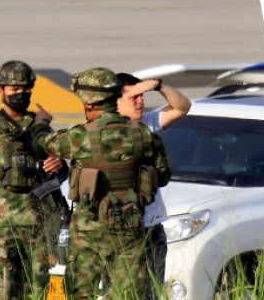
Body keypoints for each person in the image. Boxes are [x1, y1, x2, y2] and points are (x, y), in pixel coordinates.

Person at [42, 67, 170, 300]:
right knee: (128, 295)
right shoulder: (143, 134)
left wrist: (42, 123)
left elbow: (45, 143)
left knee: (81, 293)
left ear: (89, 105)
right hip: (129, 230)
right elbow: (162, 176)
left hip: (88, 231)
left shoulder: (80, 137)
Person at [0, 60, 64, 300]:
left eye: (26, 88)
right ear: (0, 90)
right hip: (1, 223)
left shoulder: (40, 127)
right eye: (15, 89)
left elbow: (59, 173)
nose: (21, 93)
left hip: (37, 223)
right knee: (4, 289)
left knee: (39, 288)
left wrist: (59, 164)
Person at [115, 73, 190, 297]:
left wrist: (158, 85)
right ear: (115, 101)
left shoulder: (147, 124)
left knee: (152, 291)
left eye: (142, 96)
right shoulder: (102, 134)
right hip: (124, 228)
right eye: (134, 97)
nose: (141, 101)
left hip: (153, 225)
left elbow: (182, 107)